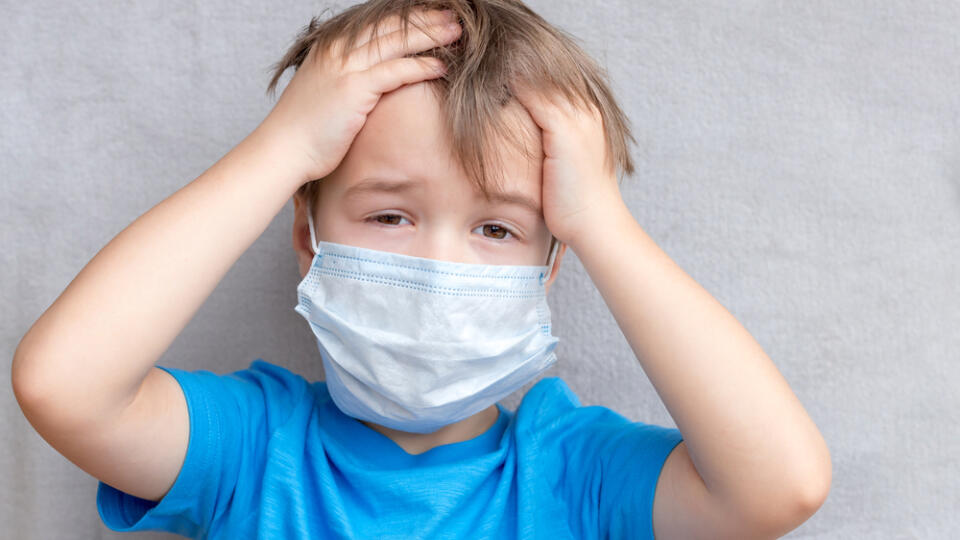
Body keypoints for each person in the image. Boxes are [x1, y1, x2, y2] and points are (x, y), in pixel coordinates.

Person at [11, 1, 831, 538]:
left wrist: (603, 223)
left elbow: (780, 486)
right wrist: (281, 150)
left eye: (496, 228)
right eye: (390, 215)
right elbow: (64, 386)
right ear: (309, 237)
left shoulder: (570, 473)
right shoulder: (255, 448)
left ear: (550, 268)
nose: (439, 265)